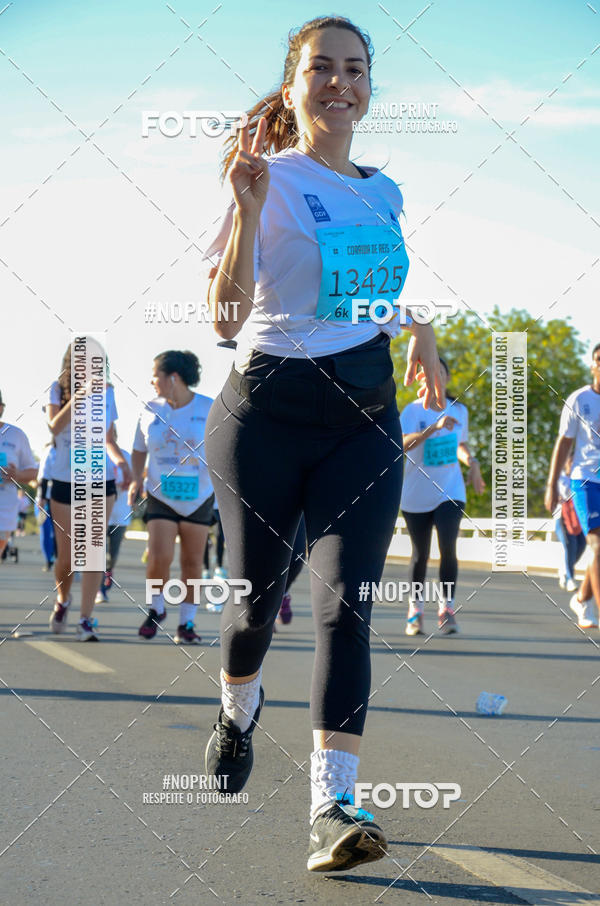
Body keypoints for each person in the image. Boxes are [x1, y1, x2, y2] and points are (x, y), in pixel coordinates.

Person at [201, 16, 443, 873]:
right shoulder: (264, 178)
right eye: (321, 69)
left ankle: (331, 807)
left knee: (349, 603)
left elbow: (372, 291)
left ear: (369, 88)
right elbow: (226, 320)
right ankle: (236, 711)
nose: (340, 83)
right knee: (253, 608)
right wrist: (244, 207)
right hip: (265, 412)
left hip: (363, 418)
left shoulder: (386, 191)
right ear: (295, 84)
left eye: (355, 70)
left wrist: (420, 333)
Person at [129, 350, 214, 644]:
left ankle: (187, 623)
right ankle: (157, 608)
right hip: (160, 493)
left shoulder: (209, 408)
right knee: (158, 557)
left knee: (192, 562)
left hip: (199, 493)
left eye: (155, 375)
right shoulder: (149, 409)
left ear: (173, 378)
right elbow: (139, 449)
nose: (152, 381)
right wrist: (135, 479)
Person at [46, 341, 130, 641]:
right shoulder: (57, 389)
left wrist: (122, 462)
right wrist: (79, 396)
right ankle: (63, 601)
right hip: (65, 480)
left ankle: (86, 619)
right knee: (67, 557)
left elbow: (109, 437)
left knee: (94, 552)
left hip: (99, 478)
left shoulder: (108, 392)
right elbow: (54, 427)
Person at [400, 357, 485, 636]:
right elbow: (402, 444)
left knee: (448, 546)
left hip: (450, 489)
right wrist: (433, 428)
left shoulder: (459, 410)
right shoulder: (411, 412)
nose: (435, 378)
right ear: (421, 380)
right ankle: (415, 611)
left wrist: (471, 462)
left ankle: (446, 608)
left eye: (440, 373)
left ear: (446, 379)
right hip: (416, 492)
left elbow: (460, 444)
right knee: (420, 553)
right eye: (429, 374)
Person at [545, 342, 600, 629]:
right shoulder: (579, 400)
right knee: (597, 545)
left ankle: (581, 598)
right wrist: (552, 484)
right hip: (586, 479)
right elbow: (564, 442)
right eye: (599, 360)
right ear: (592, 365)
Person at [0, 389, 37, 559]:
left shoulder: (16, 435)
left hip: (5, 507)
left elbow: (33, 472)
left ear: (1, 408)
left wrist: (17, 475)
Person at [96, 448, 132, 604]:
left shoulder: (126, 457)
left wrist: (129, 484)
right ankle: (99, 590)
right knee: (98, 554)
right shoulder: (95, 454)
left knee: (113, 555)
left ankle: (109, 571)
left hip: (120, 514)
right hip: (99, 513)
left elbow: (135, 478)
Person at [554, 455, 585, 593]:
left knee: (581, 546)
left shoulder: (580, 478)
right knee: (570, 545)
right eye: (570, 461)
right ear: (565, 462)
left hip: (578, 519)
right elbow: (566, 494)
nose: (572, 464)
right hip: (562, 518)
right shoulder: (560, 478)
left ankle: (564, 569)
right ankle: (571, 579)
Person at [36, 443, 57, 571]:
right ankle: (48, 559)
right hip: (42, 501)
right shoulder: (39, 464)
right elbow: (35, 478)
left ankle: (59, 557)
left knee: (58, 532)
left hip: (57, 499)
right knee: (44, 532)